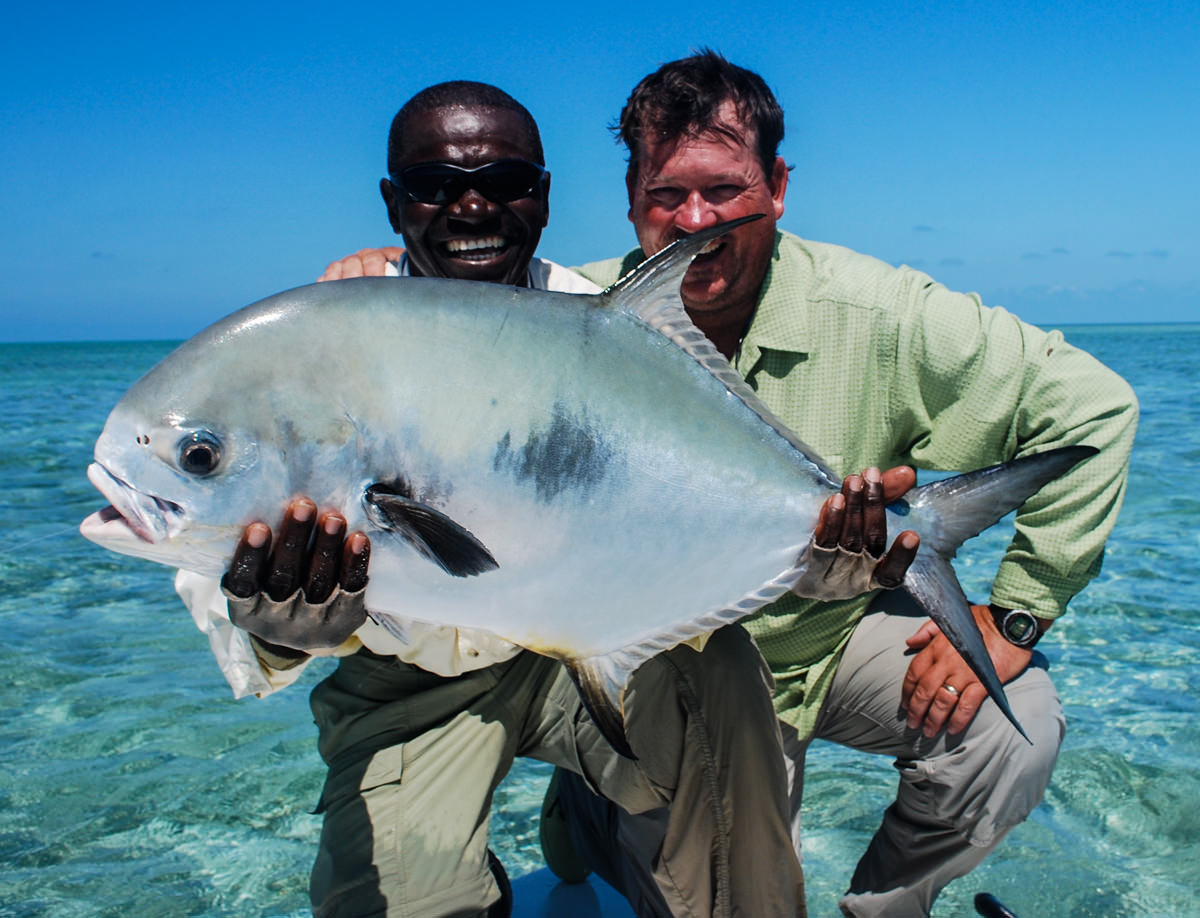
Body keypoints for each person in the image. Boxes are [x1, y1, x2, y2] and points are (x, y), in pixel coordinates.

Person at [328, 51, 1137, 915]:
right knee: (671, 859)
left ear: (778, 185)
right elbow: (469, 294)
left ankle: (887, 911)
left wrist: (1014, 612)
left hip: (824, 638)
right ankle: (590, 810)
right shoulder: (577, 315)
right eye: (666, 196)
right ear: (630, 197)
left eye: (724, 190)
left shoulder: (885, 316)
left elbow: (1093, 408)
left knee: (1012, 733)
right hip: (662, 659)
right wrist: (394, 292)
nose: (695, 221)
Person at [176, 80, 919, 918]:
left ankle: (629, 843)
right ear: (393, 203)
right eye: (433, 185)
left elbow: (683, 507)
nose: (470, 205)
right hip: (406, 686)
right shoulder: (319, 343)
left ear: (543, 196)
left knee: (723, 683)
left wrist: (817, 553)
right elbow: (223, 555)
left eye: (504, 181)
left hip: (582, 653)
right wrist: (273, 632)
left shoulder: (604, 326)